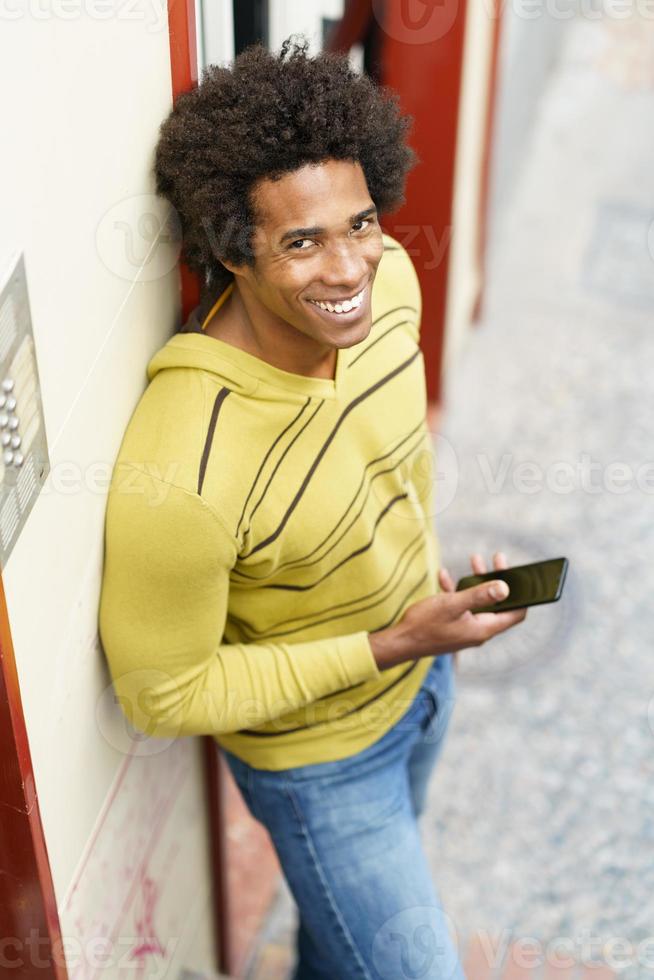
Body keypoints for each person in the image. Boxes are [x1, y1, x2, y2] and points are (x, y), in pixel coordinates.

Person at [98, 36, 527, 980]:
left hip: (425, 686)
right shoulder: (183, 470)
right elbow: (162, 694)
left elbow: (396, 471)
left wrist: (428, 612)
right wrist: (391, 642)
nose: (349, 270)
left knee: (342, 949)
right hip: (321, 765)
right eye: (302, 241)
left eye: (361, 222)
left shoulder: (394, 290)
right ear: (230, 249)